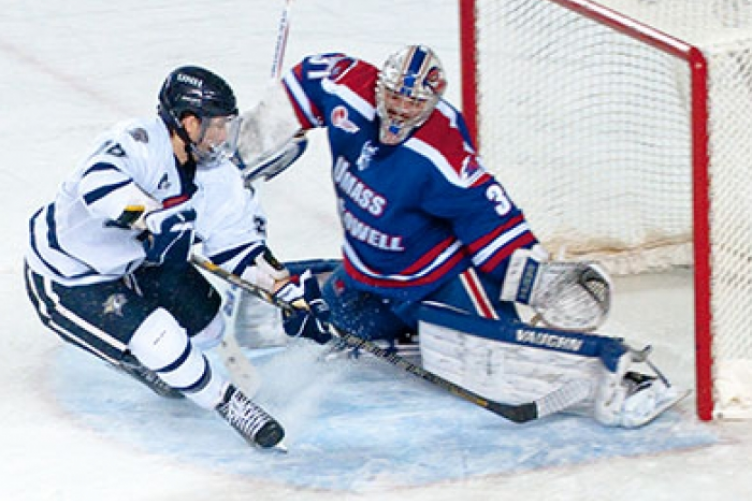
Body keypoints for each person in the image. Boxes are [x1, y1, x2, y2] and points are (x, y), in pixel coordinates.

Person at [234, 45, 685, 428]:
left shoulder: (442, 151)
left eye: (412, 102)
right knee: (291, 321)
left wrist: (534, 279)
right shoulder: (348, 89)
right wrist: (253, 140)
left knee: (507, 363)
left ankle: (623, 380)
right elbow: (308, 78)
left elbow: (491, 223)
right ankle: (406, 329)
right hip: (367, 278)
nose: (398, 108)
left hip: (440, 282)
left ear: (430, 103)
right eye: (392, 94)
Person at [23, 65, 329, 449]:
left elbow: (239, 245)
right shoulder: (136, 141)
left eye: (226, 125)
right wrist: (151, 216)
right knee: (161, 341)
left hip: (136, 263)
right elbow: (96, 183)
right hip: (69, 275)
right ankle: (226, 401)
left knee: (208, 327)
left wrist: (287, 290)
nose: (221, 136)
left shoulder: (218, 175)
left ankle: (164, 362)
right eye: (214, 125)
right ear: (185, 121)